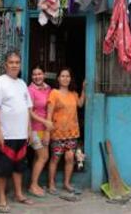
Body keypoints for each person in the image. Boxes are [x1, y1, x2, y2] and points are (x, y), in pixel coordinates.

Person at [0, 50, 34, 213]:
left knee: (19, 167)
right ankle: (1, 198)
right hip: (5, 135)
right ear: (5, 65)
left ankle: (19, 194)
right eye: (11, 62)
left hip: (21, 135)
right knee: (3, 169)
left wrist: (29, 129)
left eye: (17, 62)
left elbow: (28, 109)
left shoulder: (22, 84)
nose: (14, 65)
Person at [47, 67, 85, 195]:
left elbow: (80, 104)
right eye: (62, 76)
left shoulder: (73, 94)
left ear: (70, 78)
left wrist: (84, 89)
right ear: (58, 78)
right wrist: (48, 131)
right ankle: (51, 183)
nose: (65, 78)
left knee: (69, 158)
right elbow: (49, 113)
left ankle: (67, 183)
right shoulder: (54, 93)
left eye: (67, 76)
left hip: (72, 132)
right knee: (55, 158)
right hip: (57, 132)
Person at [27, 65, 53, 197]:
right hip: (35, 128)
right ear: (32, 76)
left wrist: (47, 126)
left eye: (39, 74)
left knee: (38, 157)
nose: (37, 77)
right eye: (34, 74)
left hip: (45, 129)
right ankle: (33, 185)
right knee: (44, 157)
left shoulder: (48, 88)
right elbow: (29, 112)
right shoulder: (30, 90)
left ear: (44, 75)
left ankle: (34, 183)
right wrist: (45, 122)